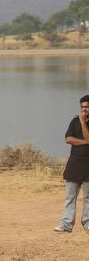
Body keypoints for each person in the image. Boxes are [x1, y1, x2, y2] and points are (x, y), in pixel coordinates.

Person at [55, 94, 89, 233]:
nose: (84, 110)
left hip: (88, 167)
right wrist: (85, 143)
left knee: (88, 198)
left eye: (87, 107)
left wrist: (83, 123)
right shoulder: (74, 121)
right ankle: (66, 224)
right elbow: (68, 139)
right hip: (74, 165)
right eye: (82, 107)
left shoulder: (79, 121)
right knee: (70, 197)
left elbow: (88, 136)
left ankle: (87, 223)